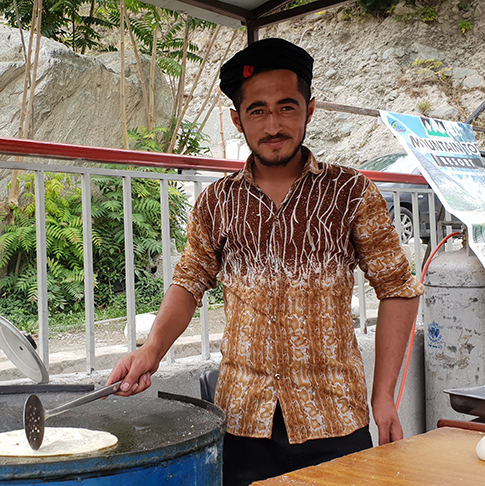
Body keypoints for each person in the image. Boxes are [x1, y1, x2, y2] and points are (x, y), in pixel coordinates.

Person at [106, 38, 424, 485]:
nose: (273, 124)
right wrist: (151, 350)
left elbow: (397, 288)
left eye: (287, 107)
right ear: (238, 119)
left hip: (333, 416)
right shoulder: (217, 201)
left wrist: (384, 396)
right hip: (242, 421)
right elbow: (189, 282)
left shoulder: (351, 192)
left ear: (309, 111)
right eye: (257, 110)